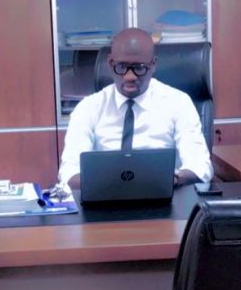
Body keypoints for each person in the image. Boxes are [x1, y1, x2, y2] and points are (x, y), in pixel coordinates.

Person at [58, 27, 213, 189]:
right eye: (121, 67)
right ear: (110, 63)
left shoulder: (178, 103)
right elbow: (69, 171)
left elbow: (201, 167)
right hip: (104, 196)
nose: (129, 76)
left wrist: (172, 178)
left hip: (163, 193)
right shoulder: (88, 108)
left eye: (139, 68)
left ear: (153, 65)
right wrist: (105, 183)